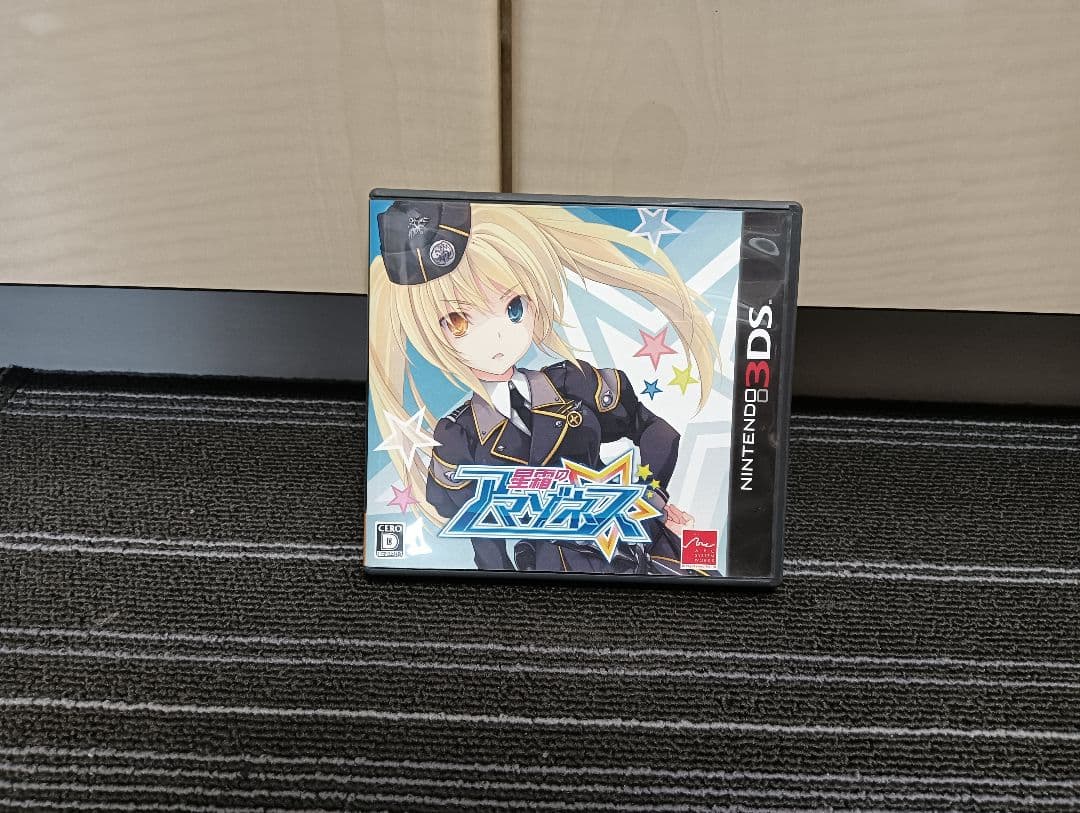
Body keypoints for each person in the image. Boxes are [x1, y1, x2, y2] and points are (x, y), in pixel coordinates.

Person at [369, 199, 717, 574]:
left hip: (639, 537)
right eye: (458, 322)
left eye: (513, 308)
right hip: (556, 569)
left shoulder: (573, 383)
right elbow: (479, 531)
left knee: (707, 569)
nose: (497, 336)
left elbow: (654, 429)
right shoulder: (459, 434)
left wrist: (650, 494)